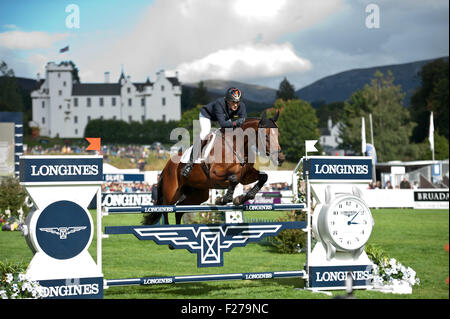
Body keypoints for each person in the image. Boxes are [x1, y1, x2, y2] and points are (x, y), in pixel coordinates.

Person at [181, 87, 247, 177]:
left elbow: (243, 121)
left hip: (224, 119)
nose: (236, 105)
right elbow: (223, 124)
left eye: (237, 102)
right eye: (233, 102)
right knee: (205, 132)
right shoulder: (219, 104)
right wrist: (236, 122)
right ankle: (190, 163)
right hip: (207, 115)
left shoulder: (241, 106)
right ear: (228, 100)